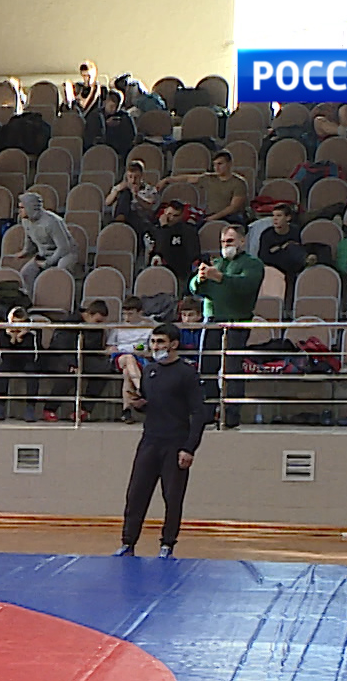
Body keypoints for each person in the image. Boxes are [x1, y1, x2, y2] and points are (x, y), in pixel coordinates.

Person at [112, 324, 208, 558]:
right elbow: (152, 404)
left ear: (173, 344)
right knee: (136, 493)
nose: (156, 346)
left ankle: (167, 544)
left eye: (161, 342)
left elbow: (199, 413)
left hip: (175, 442)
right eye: (153, 342)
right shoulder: (150, 371)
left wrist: (189, 448)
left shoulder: (187, 373)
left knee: (172, 497)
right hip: (150, 440)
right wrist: (139, 405)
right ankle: (128, 542)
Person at [190, 223, 263, 428]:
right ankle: (207, 412)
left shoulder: (253, 264)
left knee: (232, 370)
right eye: (222, 241)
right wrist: (199, 279)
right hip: (212, 321)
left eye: (230, 241)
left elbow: (246, 286)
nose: (225, 245)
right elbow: (195, 288)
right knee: (207, 368)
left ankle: (231, 415)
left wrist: (220, 278)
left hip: (237, 321)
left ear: (242, 241)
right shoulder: (217, 263)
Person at [162, 150, 248, 224]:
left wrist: (214, 218)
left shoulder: (239, 183)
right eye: (214, 165)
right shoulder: (209, 178)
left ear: (229, 164)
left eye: (220, 164)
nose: (216, 168)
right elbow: (188, 179)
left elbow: (233, 207)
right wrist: (166, 180)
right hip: (209, 215)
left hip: (231, 217)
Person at [15, 191, 74, 294]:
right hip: (44, 254)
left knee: (59, 273)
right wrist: (25, 251)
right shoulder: (25, 220)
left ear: (30, 207)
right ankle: (31, 299)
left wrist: (48, 263)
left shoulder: (52, 222)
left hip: (65, 254)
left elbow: (64, 247)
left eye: (22, 208)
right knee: (26, 273)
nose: (19, 211)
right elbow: (29, 240)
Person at [106, 158, 159, 236]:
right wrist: (116, 191)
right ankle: (120, 220)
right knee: (126, 193)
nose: (133, 180)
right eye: (130, 177)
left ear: (141, 176)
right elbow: (107, 202)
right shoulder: (121, 187)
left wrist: (136, 197)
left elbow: (150, 207)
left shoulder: (149, 189)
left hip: (142, 221)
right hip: (126, 220)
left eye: (136, 177)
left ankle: (120, 221)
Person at [146, 199, 201, 272]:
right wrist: (164, 228)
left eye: (176, 216)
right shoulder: (155, 229)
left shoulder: (188, 231)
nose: (171, 218)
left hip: (182, 269)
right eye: (169, 214)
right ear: (165, 212)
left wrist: (165, 229)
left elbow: (193, 255)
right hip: (159, 269)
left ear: (181, 216)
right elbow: (158, 250)